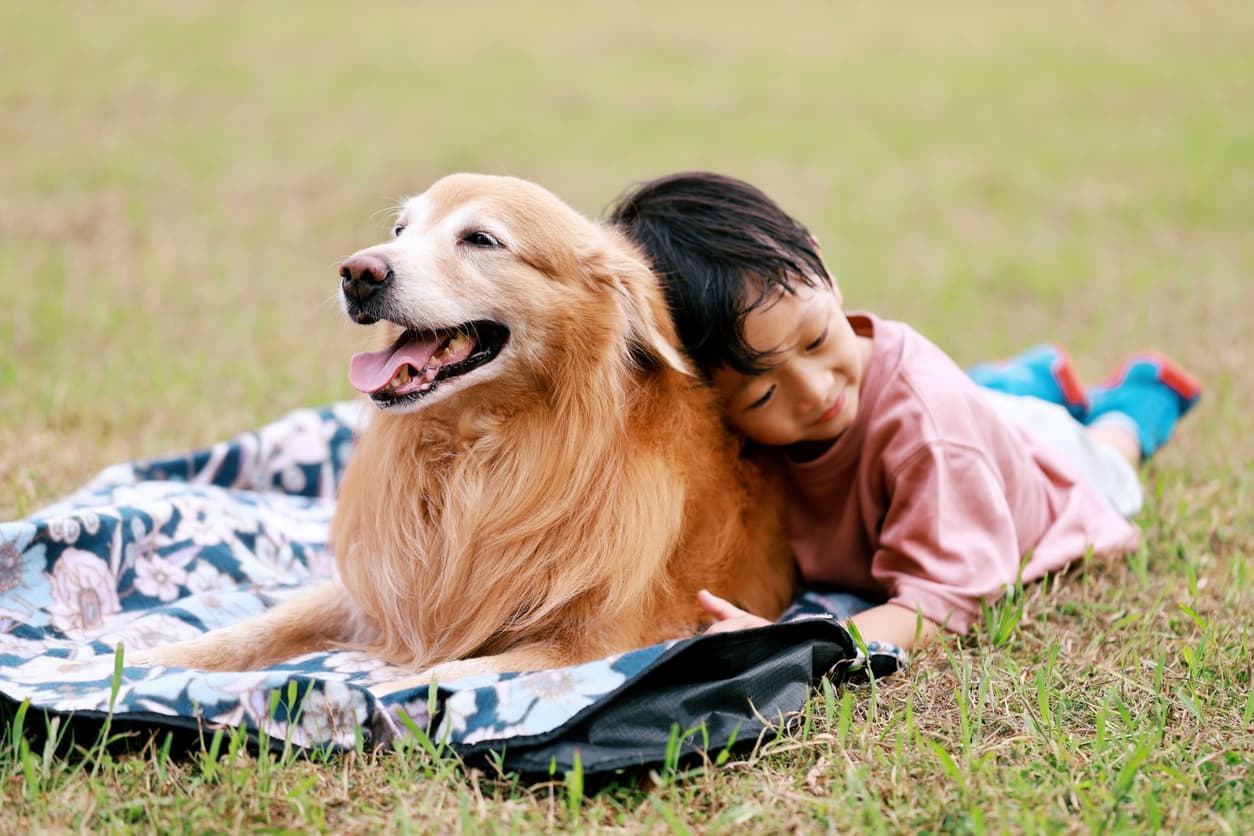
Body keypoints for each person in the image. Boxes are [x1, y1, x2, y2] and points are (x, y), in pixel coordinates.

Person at [606, 172, 1201, 651]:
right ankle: (1032, 379)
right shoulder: (744, 420)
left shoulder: (929, 434)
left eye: (816, 339)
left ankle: (1139, 396)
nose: (813, 391)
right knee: (989, 401)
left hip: (1041, 472)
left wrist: (793, 644)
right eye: (762, 396)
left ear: (824, 267)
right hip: (974, 420)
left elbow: (944, 605)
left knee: (1105, 461)